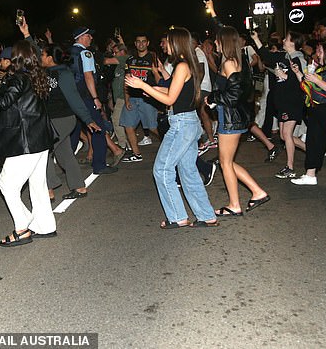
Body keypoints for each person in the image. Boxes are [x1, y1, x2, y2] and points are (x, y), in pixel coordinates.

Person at [125, 26, 218, 229]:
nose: (163, 45)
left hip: (182, 124)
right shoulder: (188, 65)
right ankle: (206, 215)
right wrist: (153, 89)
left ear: (176, 43)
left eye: (166, 41)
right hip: (190, 121)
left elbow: (170, 98)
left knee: (162, 169)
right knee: (188, 170)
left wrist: (143, 86)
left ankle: (177, 216)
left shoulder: (183, 66)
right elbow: (173, 91)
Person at [0, 41, 57, 246]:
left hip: (24, 140)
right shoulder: (36, 76)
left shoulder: (18, 78)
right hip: (39, 138)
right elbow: (13, 102)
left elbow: (3, 102)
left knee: (6, 183)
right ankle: (45, 226)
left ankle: (22, 227)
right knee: (37, 185)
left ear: (17, 58)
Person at [207, 25, 270, 217]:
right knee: (227, 161)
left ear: (223, 42)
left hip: (230, 118)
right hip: (233, 118)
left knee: (225, 163)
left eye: (217, 40)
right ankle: (257, 192)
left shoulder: (229, 63)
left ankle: (235, 204)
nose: (215, 43)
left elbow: (234, 95)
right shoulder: (237, 59)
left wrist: (212, 98)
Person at [40, 43, 101, 200]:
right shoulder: (45, 72)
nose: (40, 57)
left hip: (62, 119)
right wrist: (26, 34)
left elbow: (74, 98)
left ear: (49, 58)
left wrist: (87, 119)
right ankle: (79, 187)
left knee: (44, 151)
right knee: (64, 153)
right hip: (53, 119)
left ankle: (49, 190)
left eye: (42, 54)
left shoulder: (63, 74)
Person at [290, 41, 326, 185]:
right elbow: (307, 85)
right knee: (314, 142)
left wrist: (316, 80)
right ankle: (310, 175)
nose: (317, 54)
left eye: (320, 51)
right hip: (316, 109)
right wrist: (298, 73)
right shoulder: (322, 69)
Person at [69, 26, 119, 175]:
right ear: (81, 37)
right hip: (85, 96)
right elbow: (88, 76)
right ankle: (99, 165)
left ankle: (65, 162)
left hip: (72, 96)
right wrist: (95, 98)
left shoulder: (67, 53)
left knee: (73, 130)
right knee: (98, 128)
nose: (91, 38)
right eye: (88, 36)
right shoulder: (85, 53)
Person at [120, 33, 161, 162]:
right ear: (135, 43)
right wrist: (126, 99)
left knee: (153, 127)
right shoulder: (130, 59)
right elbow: (126, 79)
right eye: (138, 41)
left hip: (148, 98)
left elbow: (160, 79)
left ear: (147, 43)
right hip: (132, 97)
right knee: (128, 125)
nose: (141, 44)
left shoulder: (153, 58)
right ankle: (136, 154)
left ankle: (171, 144)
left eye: (144, 41)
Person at [272, 31, 308, 179]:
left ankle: (290, 167)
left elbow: (300, 81)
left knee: (287, 134)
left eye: (286, 39)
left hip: (293, 101)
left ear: (293, 42)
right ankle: (312, 151)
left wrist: (283, 75)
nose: (283, 41)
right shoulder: (287, 57)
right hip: (284, 101)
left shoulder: (298, 59)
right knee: (283, 135)